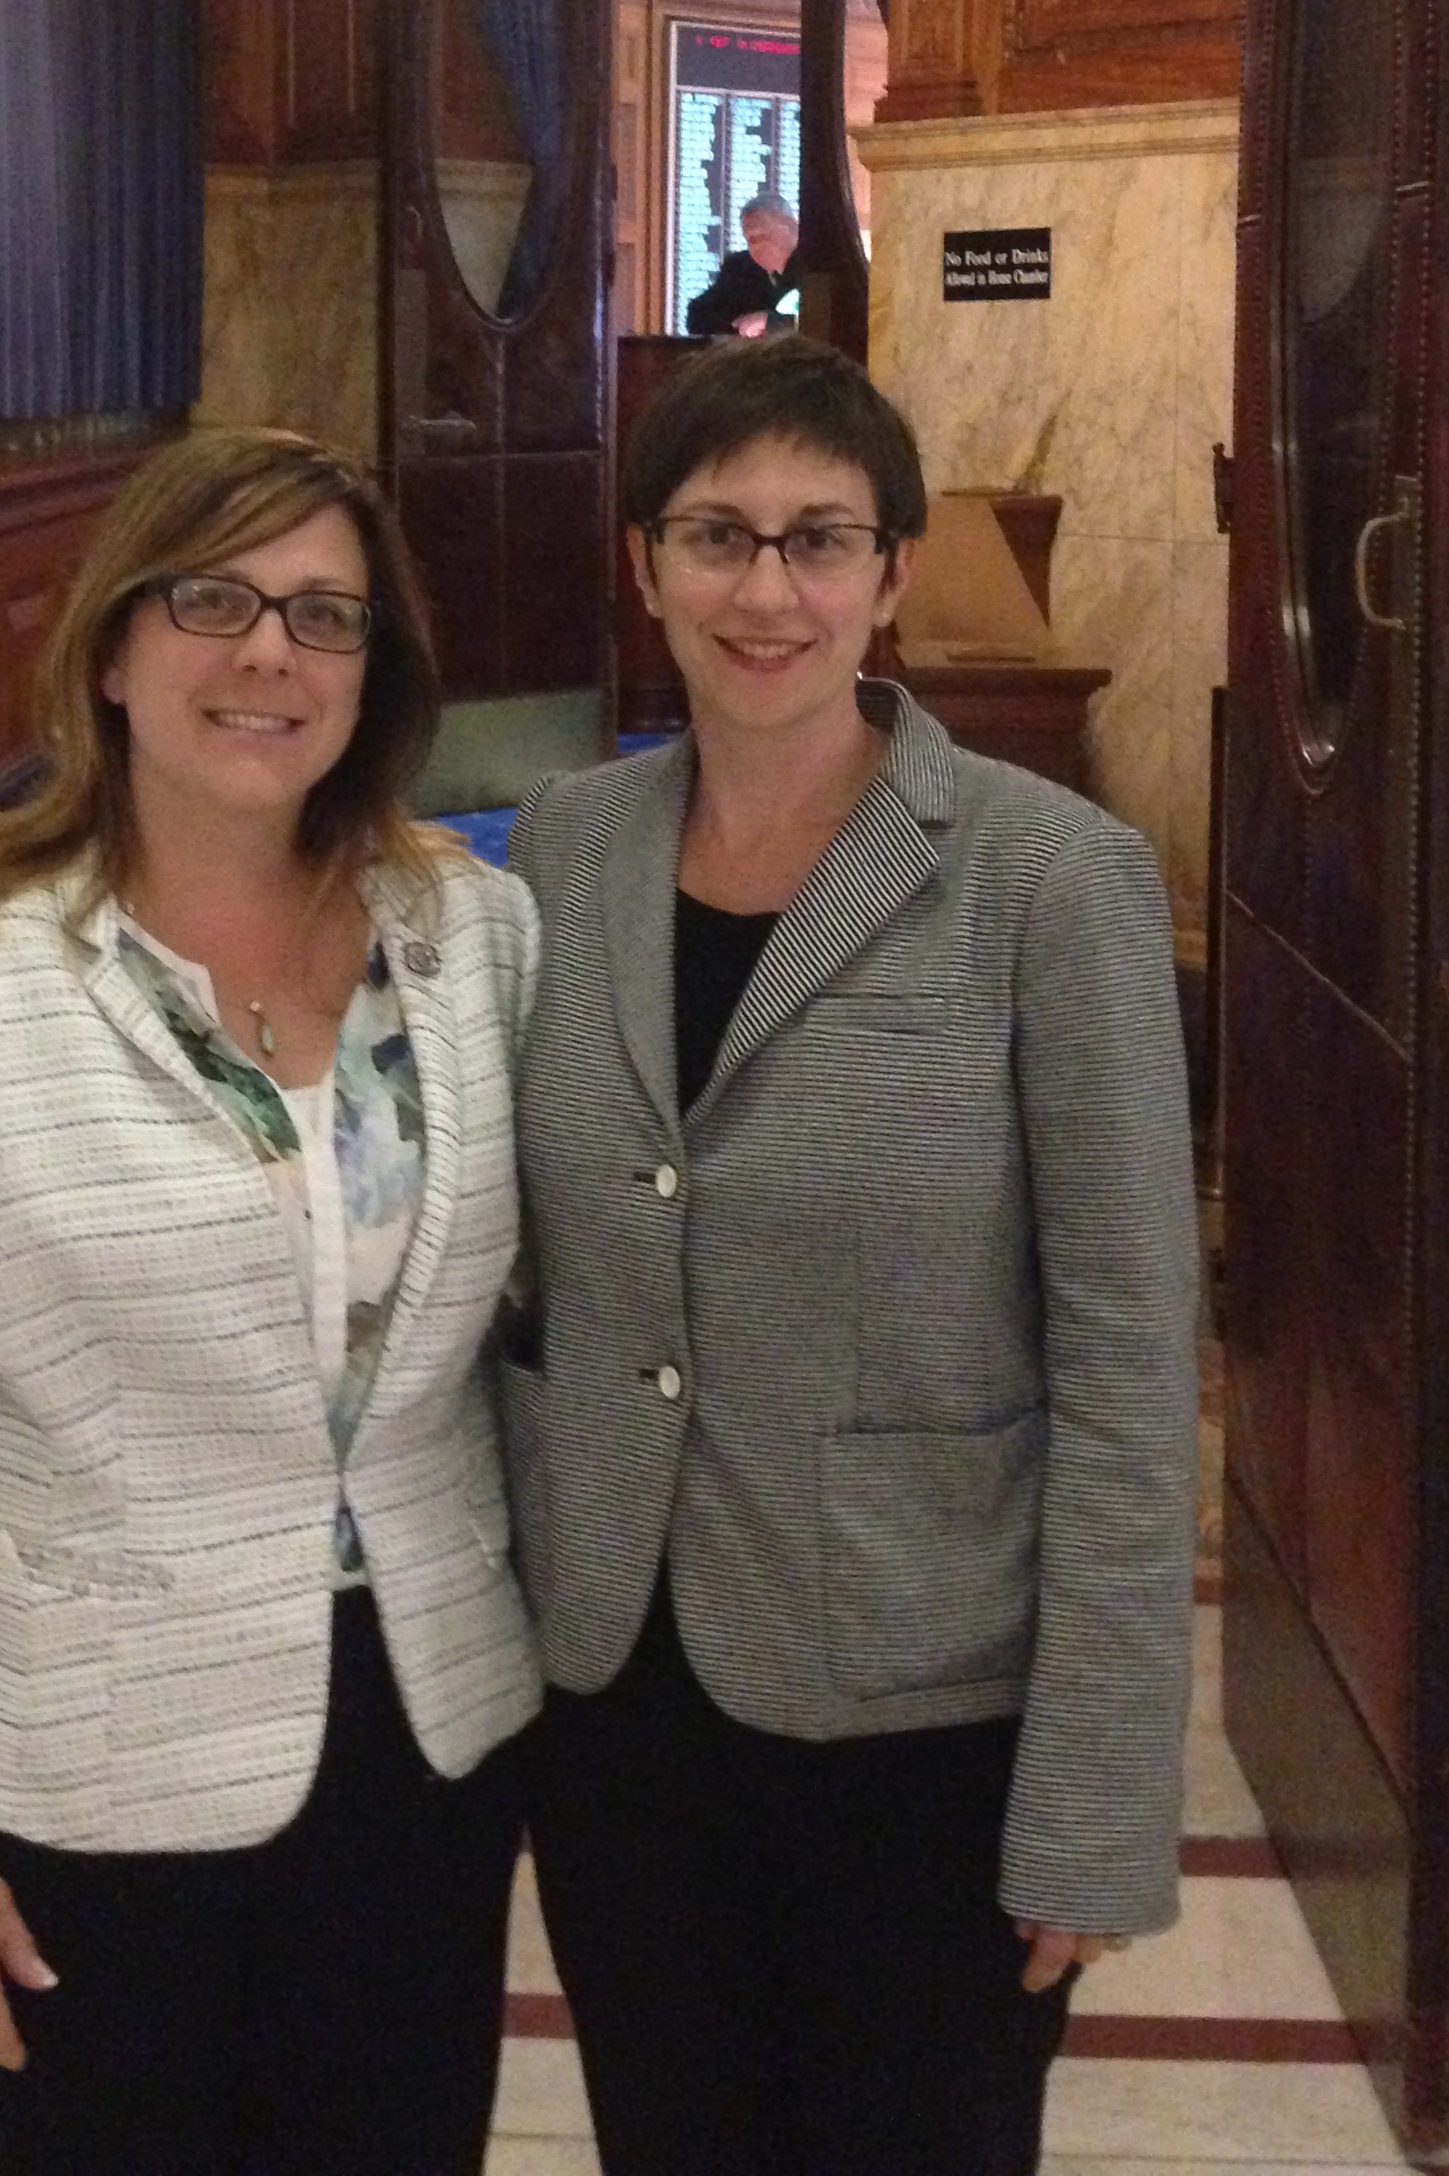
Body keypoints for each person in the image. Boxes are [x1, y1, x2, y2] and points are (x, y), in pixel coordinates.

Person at [0, 427, 541, 2176]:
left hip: (417, 1755)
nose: (268, 651)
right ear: (113, 644)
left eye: (324, 615)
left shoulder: (471, 932)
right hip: (80, 1775)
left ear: (374, 671)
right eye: (212, 599)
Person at [499, 335, 1196, 2176]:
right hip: (619, 1709)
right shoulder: (563, 853)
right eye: (717, 534)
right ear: (644, 561)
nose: (766, 587)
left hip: (923, 1718)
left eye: (821, 537)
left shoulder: (1049, 878)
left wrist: (1098, 1799)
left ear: (889, 573)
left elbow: (1128, 1358)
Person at [685, 194, 805, 338]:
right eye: (749, 240)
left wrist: (772, 323)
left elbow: (823, 317)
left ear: (790, 226)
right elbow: (698, 315)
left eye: (761, 236)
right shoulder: (739, 268)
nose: (755, 247)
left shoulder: (819, 265)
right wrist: (741, 324)